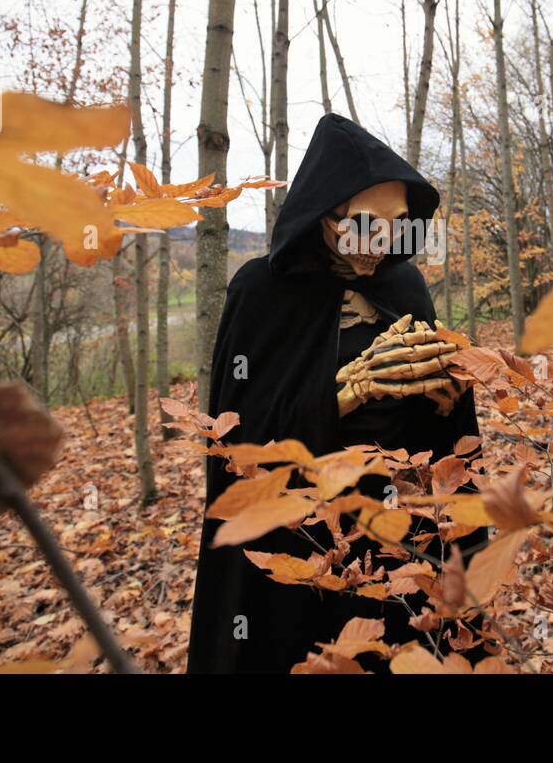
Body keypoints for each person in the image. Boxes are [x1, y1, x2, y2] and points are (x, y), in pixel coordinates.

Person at [184, 112, 489, 673]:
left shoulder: (403, 285)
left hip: (397, 530)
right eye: (365, 224)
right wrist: (347, 390)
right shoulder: (260, 292)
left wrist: (449, 403)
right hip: (300, 540)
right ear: (325, 217)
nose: (383, 241)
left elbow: (438, 424)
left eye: (397, 225)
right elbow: (240, 444)